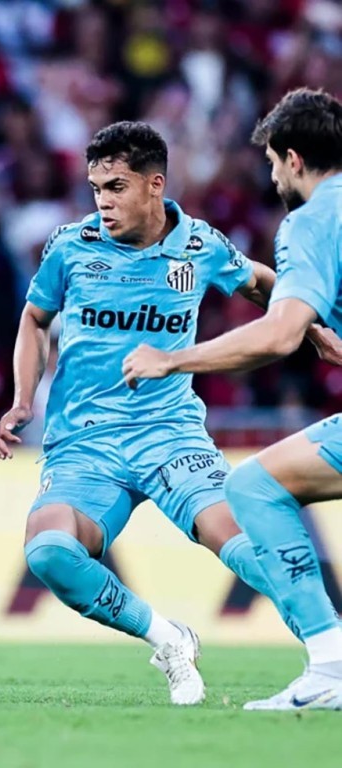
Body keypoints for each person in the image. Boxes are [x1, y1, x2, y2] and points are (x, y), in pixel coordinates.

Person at [0, 121, 341, 706]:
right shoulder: (69, 247)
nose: (103, 201)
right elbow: (34, 320)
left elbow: (259, 283)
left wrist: (310, 326)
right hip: (85, 443)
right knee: (49, 553)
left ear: (155, 186)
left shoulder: (200, 245)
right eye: (96, 187)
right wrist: (24, 398)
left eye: (118, 186)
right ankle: (168, 637)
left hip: (171, 434)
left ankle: (328, 660)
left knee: (251, 547)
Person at [122, 88, 342, 710]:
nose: (272, 176)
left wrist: (172, 358)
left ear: (294, 159)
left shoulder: (313, 220)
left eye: (273, 162)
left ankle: (330, 664)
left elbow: (277, 333)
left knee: (253, 488)